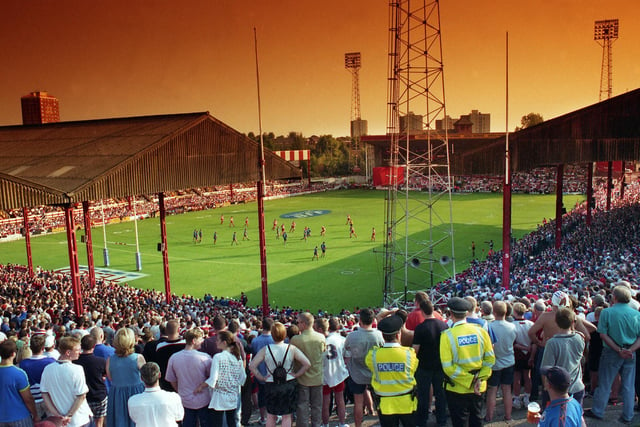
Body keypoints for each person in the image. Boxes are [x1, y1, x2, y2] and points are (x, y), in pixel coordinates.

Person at [585, 285, 640, 424]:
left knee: (605, 383)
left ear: (614, 297)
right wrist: (630, 350)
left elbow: (602, 334)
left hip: (612, 351)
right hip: (630, 352)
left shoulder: (607, 312)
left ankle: (598, 411)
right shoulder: (636, 314)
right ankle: (628, 415)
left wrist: (618, 349)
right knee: (628, 385)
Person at [439, 297, 495, 427]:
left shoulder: (447, 335)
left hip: (457, 387)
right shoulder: (481, 331)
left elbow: (448, 367)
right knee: (477, 419)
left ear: (451, 314)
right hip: (479, 386)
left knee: (460, 422)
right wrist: (479, 378)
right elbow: (490, 359)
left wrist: (469, 380)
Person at [249, 321, 311, 427]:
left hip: (271, 384)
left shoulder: (266, 349)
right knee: (287, 415)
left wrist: (262, 377)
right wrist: (296, 374)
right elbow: (307, 364)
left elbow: (252, 366)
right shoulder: (291, 348)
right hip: (288, 383)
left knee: (271, 415)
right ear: (284, 334)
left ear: (272, 335)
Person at [365, 315, 418, 427]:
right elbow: (413, 369)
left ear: (383, 336)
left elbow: (371, 367)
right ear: (399, 334)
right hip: (406, 402)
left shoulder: (373, 355)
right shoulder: (409, 353)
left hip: (385, 403)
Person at [344, 308, 384, 427]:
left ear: (360, 320)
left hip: (358, 374)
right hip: (374, 372)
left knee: (358, 402)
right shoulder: (378, 335)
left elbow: (346, 350)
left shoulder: (352, 336)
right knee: (380, 403)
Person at [41, 336, 93, 427]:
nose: (80, 352)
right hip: (79, 419)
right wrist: (69, 415)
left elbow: (44, 394)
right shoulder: (77, 369)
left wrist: (57, 414)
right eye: (77, 350)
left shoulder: (47, 369)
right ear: (68, 352)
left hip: (60, 421)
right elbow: (81, 395)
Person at [198, 330, 246, 427]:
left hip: (219, 396)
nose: (216, 342)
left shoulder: (218, 357)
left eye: (218, 340)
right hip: (233, 394)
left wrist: (201, 386)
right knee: (232, 422)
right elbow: (242, 378)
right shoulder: (237, 357)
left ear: (224, 343)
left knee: (217, 423)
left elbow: (213, 378)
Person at [540, 307, 586, 409]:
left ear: (556, 322)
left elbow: (546, 368)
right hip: (577, 386)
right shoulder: (580, 338)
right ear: (573, 321)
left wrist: (546, 388)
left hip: (557, 390)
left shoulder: (552, 343)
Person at [412, 298, 448, 427]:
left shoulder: (420, 328)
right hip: (440, 365)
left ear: (422, 311)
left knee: (423, 395)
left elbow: (415, 350)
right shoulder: (443, 325)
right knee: (440, 394)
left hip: (424, 366)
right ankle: (441, 420)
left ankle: (422, 421)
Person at [165, 328, 212, 427]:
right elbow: (211, 377)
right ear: (194, 341)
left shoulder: (174, 357)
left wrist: (179, 390)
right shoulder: (205, 357)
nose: (202, 341)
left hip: (185, 398)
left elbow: (171, 379)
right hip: (203, 398)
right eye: (200, 339)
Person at [290, 312, 326, 427]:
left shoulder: (296, 339)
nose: (297, 324)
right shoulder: (321, 337)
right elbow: (322, 352)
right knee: (317, 406)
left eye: (298, 322)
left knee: (302, 407)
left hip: (302, 378)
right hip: (316, 376)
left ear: (303, 324)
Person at [105, 328, 145, 427]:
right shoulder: (138, 358)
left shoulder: (110, 359)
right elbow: (146, 377)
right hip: (136, 393)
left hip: (117, 394)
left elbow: (110, 377)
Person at [485, 301, 516, 422]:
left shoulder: (490, 327)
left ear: (494, 312)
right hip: (508, 361)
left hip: (495, 363)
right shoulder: (512, 326)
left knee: (492, 390)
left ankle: (489, 416)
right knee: (507, 390)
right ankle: (508, 416)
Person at [128, 362, 184, 427]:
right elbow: (179, 417)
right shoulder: (173, 397)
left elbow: (134, 418)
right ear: (159, 375)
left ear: (141, 378)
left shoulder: (133, 400)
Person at [0, 339, 39, 426]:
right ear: (14, 354)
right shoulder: (19, 373)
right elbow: (28, 398)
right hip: (19, 417)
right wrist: (35, 415)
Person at [73, 335, 108, 427]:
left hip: (82, 397)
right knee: (99, 423)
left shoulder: (75, 362)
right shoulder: (100, 361)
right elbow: (105, 375)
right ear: (94, 347)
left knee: (84, 422)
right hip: (99, 396)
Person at [19, 333, 56, 420]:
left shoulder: (23, 363)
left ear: (30, 348)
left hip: (33, 399)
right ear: (43, 348)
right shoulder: (51, 361)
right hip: (48, 398)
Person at [321, 317, 349, 427]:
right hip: (338, 372)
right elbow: (347, 357)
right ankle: (342, 423)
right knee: (340, 399)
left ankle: (325, 424)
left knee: (326, 401)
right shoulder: (341, 339)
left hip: (325, 373)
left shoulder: (322, 339)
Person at [251, 318, 275, 425]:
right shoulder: (274, 340)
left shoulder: (255, 341)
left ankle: (263, 417)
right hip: (273, 374)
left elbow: (254, 356)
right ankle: (272, 416)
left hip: (261, 373)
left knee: (262, 396)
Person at [511, 302, 533, 410]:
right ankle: (527, 397)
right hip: (528, 353)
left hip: (518, 353)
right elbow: (534, 341)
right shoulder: (531, 324)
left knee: (517, 377)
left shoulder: (512, 325)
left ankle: (516, 398)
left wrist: (524, 348)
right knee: (527, 375)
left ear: (514, 312)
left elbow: (513, 343)